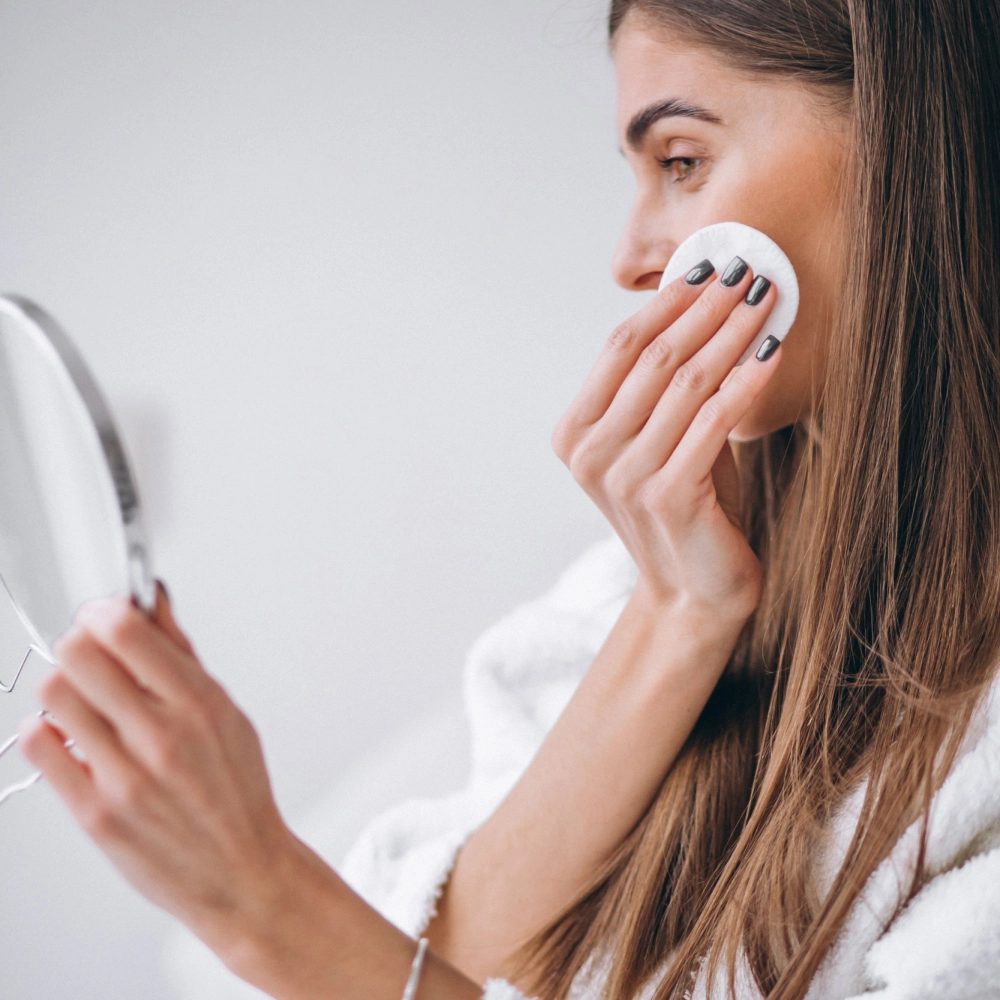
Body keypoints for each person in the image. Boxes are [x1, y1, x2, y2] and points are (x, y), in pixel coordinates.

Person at [18, 0, 1000, 998]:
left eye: (681, 161)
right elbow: (453, 958)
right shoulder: (646, 580)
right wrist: (675, 620)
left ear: (907, 142)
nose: (630, 257)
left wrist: (262, 904)